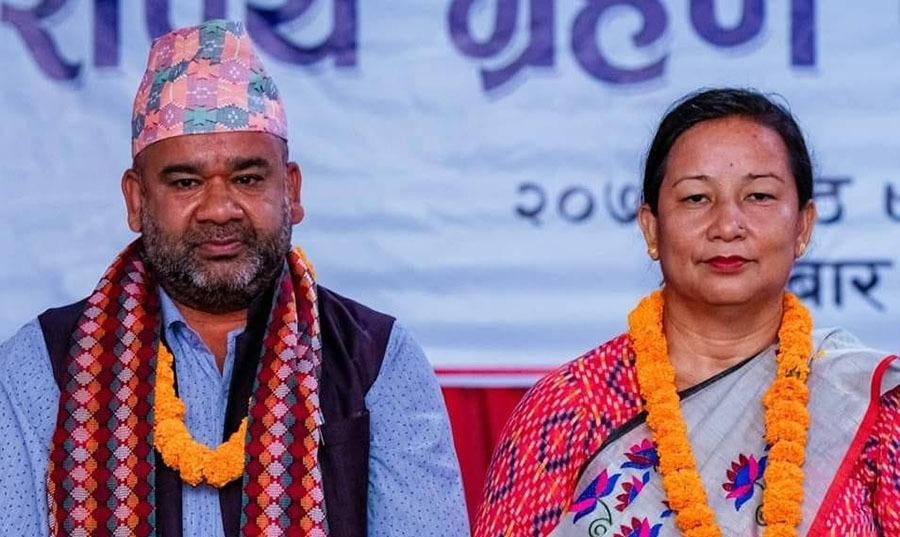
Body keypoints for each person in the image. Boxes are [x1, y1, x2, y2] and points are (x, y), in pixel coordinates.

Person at [0, 19, 469, 537]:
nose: (220, 208)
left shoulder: (376, 360)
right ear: (136, 200)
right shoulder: (39, 366)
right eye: (186, 182)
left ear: (290, 189)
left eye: (247, 178)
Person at [473, 88, 900, 537]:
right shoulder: (571, 410)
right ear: (652, 228)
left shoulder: (871, 408)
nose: (727, 226)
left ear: (803, 227)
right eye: (696, 198)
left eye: (758, 196)